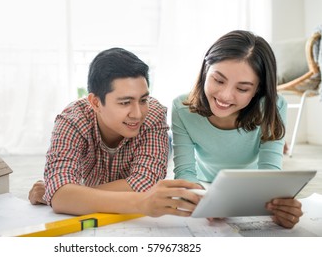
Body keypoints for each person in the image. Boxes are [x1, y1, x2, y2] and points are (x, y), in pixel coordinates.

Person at [29, 47, 203, 217]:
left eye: (143, 99)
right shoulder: (72, 120)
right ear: (96, 103)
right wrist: (61, 193)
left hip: (153, 145)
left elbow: (146, 184)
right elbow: (61, 197)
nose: (137, 113)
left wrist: (70, 193)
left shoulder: (153, 113)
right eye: (125, 102)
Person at [171, 30, 303, 229]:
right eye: (218, 80)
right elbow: (185, 173)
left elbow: (269, 174)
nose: (225, 96)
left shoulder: (273, 106)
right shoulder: (181, 107)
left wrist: (279, 207)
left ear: (257, 89)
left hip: (252, 186)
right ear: (206, 70)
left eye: (242, 89)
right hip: (203, 182)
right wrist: (202, 200)